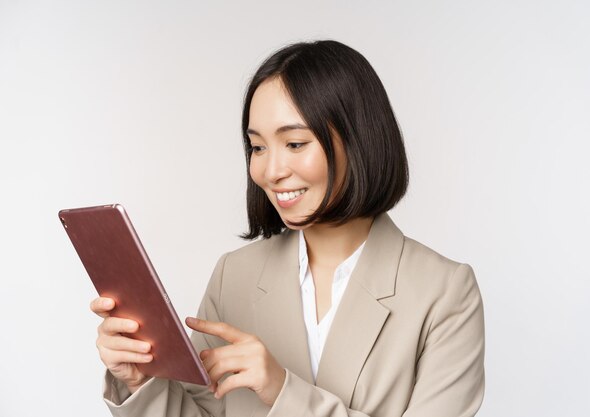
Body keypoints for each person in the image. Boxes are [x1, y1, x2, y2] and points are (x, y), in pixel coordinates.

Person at [91, 40, 485, 417]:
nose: (271, 171)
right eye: (258, 147)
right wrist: (141, 382)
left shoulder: (444, 293)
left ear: (359, 141)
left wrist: (282, 390)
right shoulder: (235, 275)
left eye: (295, 143)